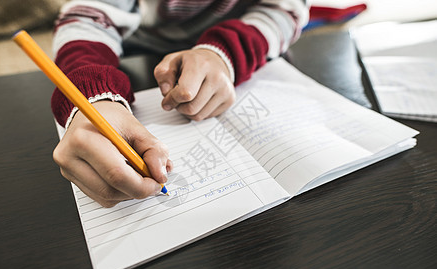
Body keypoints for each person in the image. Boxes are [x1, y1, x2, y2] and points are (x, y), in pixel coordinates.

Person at [51, 0, 309, 207]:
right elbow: (87, 19)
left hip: (249, 43)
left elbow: (284, 10)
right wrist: (93, 96)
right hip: (139, 52)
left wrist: (224, 53)